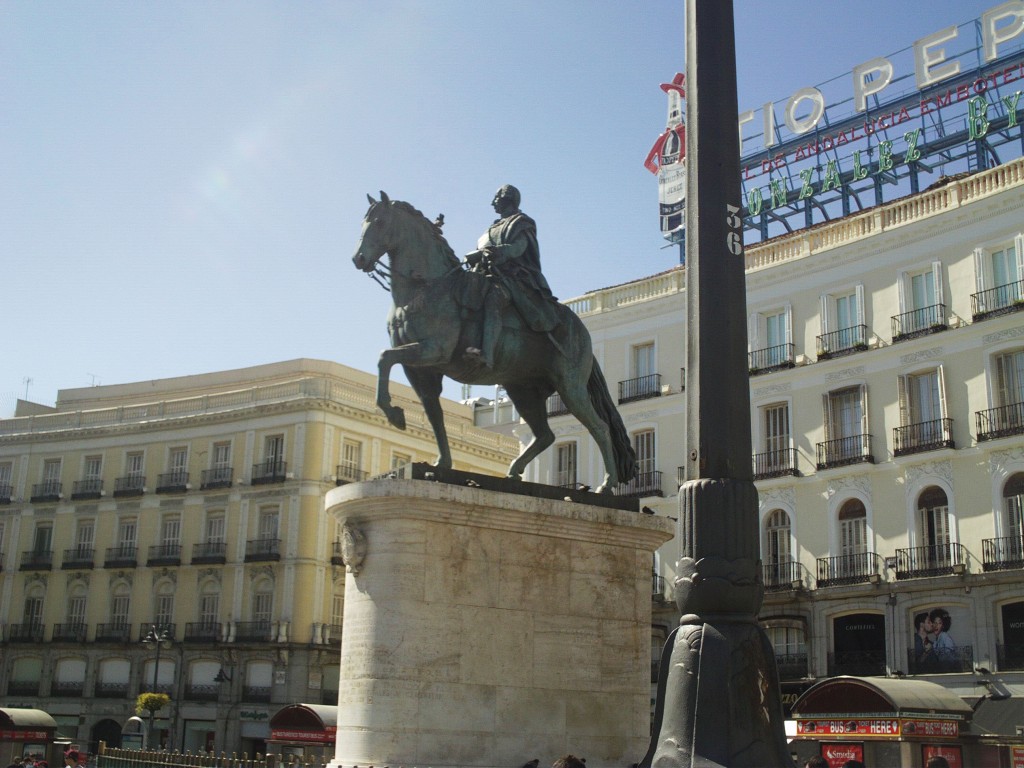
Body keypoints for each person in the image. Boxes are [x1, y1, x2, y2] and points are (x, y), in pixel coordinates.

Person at [464, 184, 560, 368]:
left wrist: (497, 253)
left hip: (514, 277)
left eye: (496, 198)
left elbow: (518, 248)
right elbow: (481, 250)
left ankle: (487, 353)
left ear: (508, 199)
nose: (493, 203)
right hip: (486, 274)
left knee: (494, 298)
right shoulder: (491, 228)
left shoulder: (521, 222)